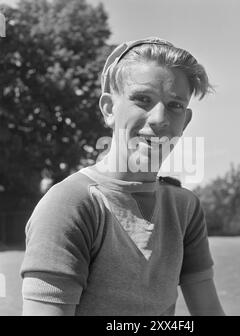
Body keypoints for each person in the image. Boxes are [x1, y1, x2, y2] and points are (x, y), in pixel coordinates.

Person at [20, 37, 225, 316]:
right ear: (108, 109)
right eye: (143, 99)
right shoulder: (71, 204)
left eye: (175, 105)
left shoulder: (184, 208)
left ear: (185, 121)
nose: (159, 118)